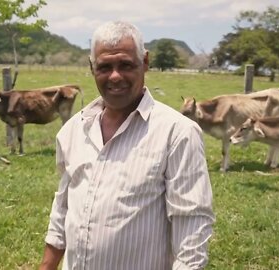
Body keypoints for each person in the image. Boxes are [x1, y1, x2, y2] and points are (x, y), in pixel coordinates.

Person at [39, 21, 214, 270]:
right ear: (92, 68)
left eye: (126, 65)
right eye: (105, 67)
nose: (115, 76)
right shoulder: (74, 130)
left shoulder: (177, 133)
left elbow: (192, 229)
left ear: (145, 62)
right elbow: (63, 207)